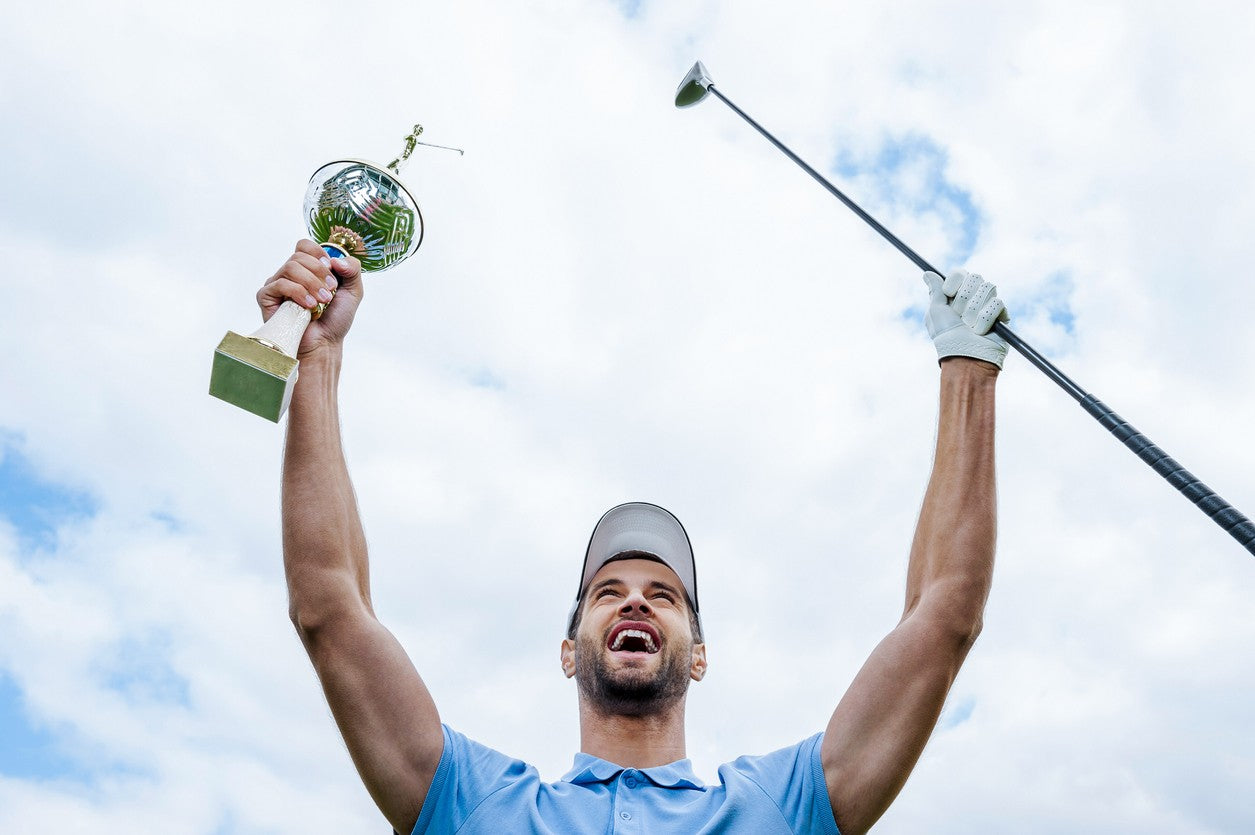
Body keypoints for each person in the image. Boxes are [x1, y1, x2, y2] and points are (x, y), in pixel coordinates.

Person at [260, 240, 1008, 834]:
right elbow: (330, 607)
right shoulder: (473, 803)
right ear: (568, 650)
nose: (635, 602)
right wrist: (317, 359)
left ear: (700, 655)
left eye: (664, 595)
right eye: (607, 592)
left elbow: (942, 618)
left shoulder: (781, 807)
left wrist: (966, 371)